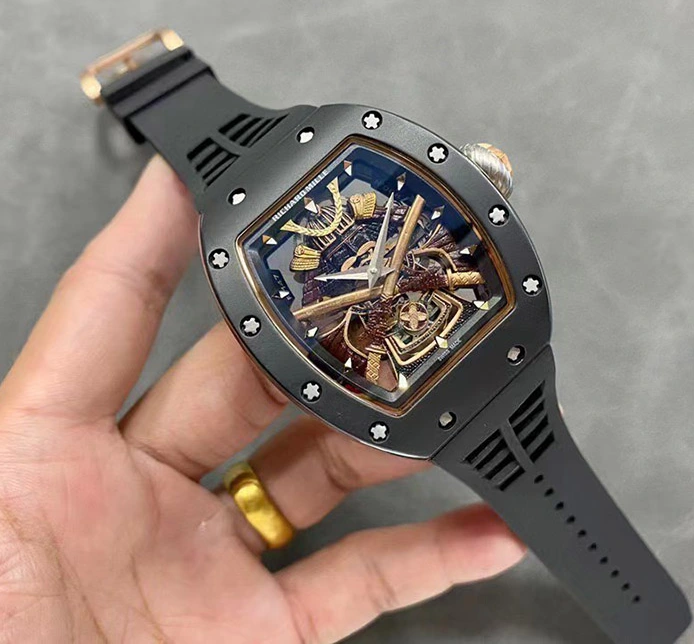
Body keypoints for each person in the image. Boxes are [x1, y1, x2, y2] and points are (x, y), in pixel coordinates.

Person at [0, 156, 526, 642]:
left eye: (372, 257)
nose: (371, 266)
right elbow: (333, 333)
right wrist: (373, 321)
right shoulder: (320, 289)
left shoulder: (371, 229)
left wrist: (428, 271)